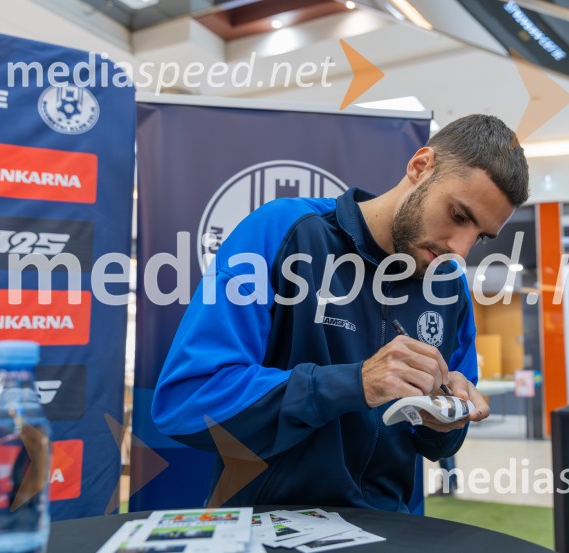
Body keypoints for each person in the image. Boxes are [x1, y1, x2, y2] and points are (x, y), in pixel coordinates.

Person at [151, 114, 529, 511]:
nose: (462, 248)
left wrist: (445, 419)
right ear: (421, 167)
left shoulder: (449, 286)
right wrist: (355, 383)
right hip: (270, 528)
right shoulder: (285, 230)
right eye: (458, 215)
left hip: (393, 533)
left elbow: (439, 442)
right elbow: (188, 402)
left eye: (481, 236)